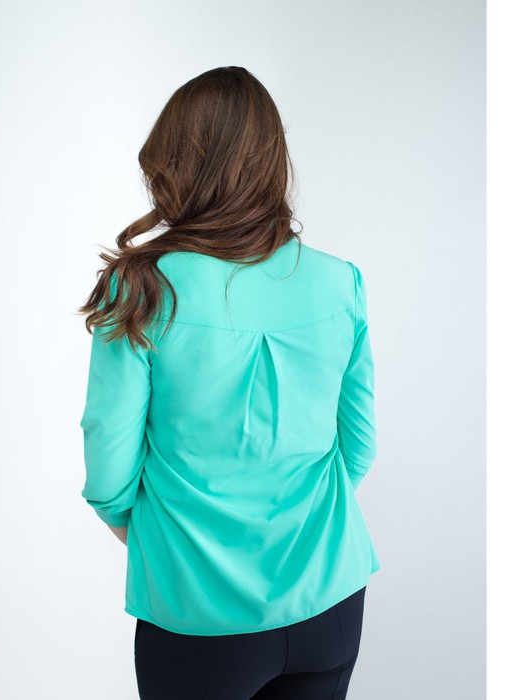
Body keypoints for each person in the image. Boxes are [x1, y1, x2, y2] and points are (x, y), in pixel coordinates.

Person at [77, 66, 380, 699]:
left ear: (173, 164)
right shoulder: (340, 281)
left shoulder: (142, 288)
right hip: (330, 598)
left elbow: (109, 470)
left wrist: (165, 541)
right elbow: (358, 447)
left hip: (199, 609)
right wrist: (297, 526)